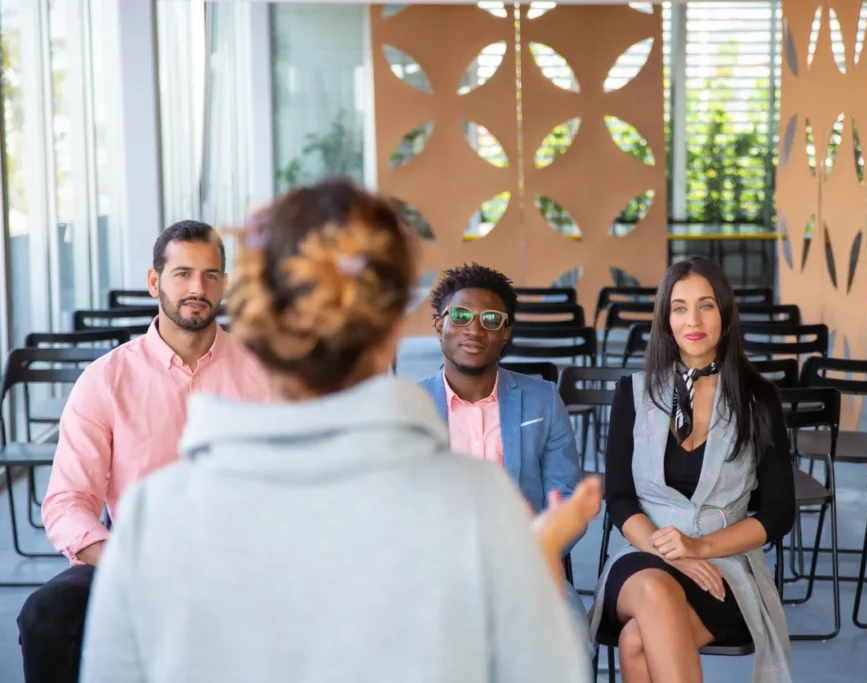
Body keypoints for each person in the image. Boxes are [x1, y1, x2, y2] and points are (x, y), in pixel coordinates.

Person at [78, 178, 596, 683]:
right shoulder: (480, 507)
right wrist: (535, 570)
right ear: (398, 327)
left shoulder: (153, 517)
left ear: (256, 321)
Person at [16, 220, 271, 683]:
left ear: (225, 284)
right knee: (45, 615)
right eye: (183, 273)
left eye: (211, 275)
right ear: (155, 281)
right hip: (133, 554)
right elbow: (68, 502)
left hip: (239, 557)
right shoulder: (106, 379)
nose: (198, 287)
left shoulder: (264, 375)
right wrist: (124, 563)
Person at [590, 257, 796, 683]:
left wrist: (699, 549)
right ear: (666, 319)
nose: (693, 320)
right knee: (654, 588)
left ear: (725, 313)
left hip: (723, 566)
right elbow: (620, 498)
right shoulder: (632, 393)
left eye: (706, 305)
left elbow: (778, 512)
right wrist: (673, 553)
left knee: (635, 642)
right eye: (679, 307)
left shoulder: (759, 399)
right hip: (643, 557)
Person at [419, 263, 592, 652]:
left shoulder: (542, 399)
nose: (474, 329)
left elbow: (563, 495)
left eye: (491, 319)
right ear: (438, 325)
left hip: (528, 565)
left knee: (570, 640)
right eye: (460, 315)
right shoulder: (409, 409)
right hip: (436, 573)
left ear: (506, 331)